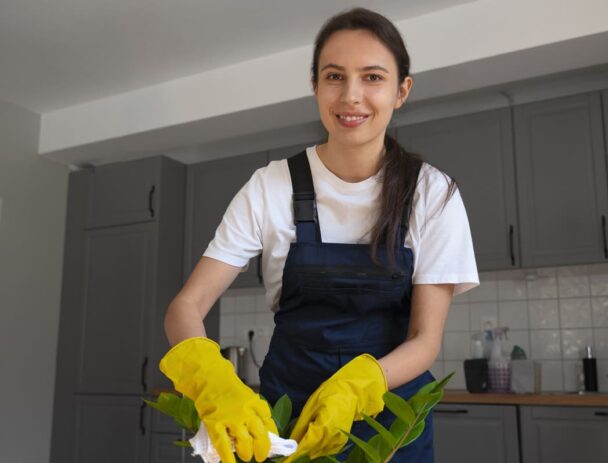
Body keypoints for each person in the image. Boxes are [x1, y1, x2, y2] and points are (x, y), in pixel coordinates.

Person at [159, 7, 479, 463]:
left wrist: (356, 387)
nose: (351, 96)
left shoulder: (432, 193)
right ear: (315, 86)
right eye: (334, 76)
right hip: (287, 412)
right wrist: (214, 381)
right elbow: (186, 307)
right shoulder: (270, 187)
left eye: (372, 77)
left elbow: (425, 341)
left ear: (401, 90)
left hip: (386, 423)